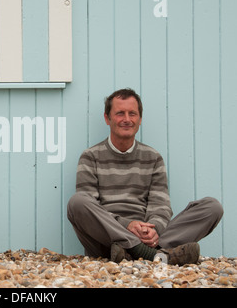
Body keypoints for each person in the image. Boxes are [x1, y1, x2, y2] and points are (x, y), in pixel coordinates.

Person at [67, 88, 223, 265]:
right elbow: (90, 207)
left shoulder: (153, 157)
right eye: (120, 113)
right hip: (106, 242)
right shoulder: (90, 156)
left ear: (140, 119)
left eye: (132, 113)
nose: (127, 119)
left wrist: (153, 230)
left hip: (150, 237)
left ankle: (139, 252)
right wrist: (127, 225)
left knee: (212, 207)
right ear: (107, 118)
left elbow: (160, 205)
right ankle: (154, 255)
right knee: (77, 202)